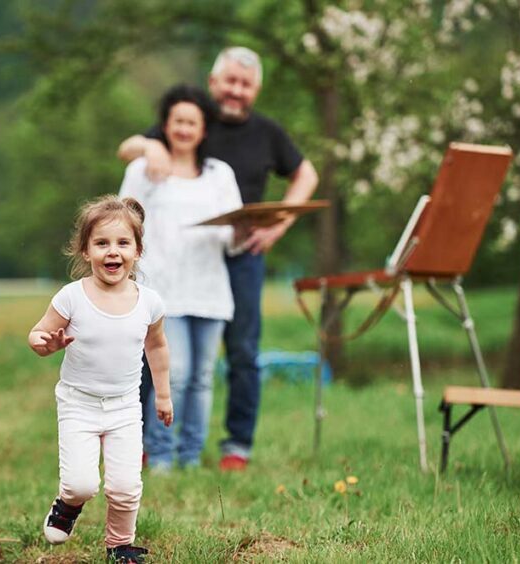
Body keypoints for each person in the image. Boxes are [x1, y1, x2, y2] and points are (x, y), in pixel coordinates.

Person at [118, 47, 318, 471]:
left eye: (245, 84)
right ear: (214, 83)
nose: (236, 91)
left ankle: (234, 448)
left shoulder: (266, 133)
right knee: (158, 359)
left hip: (236, 253)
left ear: (256, 89)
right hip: (172, 264)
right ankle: (144, 444)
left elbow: (307, 174)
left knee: (239, 353)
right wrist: (148, 147)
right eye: (230, 81)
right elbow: (129, 149)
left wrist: (277, 226)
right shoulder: (184, 121)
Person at [28, 195, 172, 563]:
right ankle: (68, 503)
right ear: (85, 251)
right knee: (82, 483)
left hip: (125, 406)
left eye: (123, 243)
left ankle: (120, 546)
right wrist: (47, 345)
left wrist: (163, 396)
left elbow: (156, 348)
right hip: (79, 403)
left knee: (125, 486)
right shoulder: (71, 298)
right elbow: (38, 335)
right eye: (102, 243)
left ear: (137, 251)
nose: (113, 252)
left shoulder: (149, 302)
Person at [119, 84, 243, 471]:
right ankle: (160, 455)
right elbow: (123, 223)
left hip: (210, 290)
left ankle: (190, 456)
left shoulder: (220, 174)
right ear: (166, 125)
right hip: (162, 292)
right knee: (174, 375)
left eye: (193, 122)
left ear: (204, 129)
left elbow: (233, 238)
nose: (185, 129)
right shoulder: (144, 169)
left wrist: (247, 230)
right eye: (178, 121)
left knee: (203, 379)